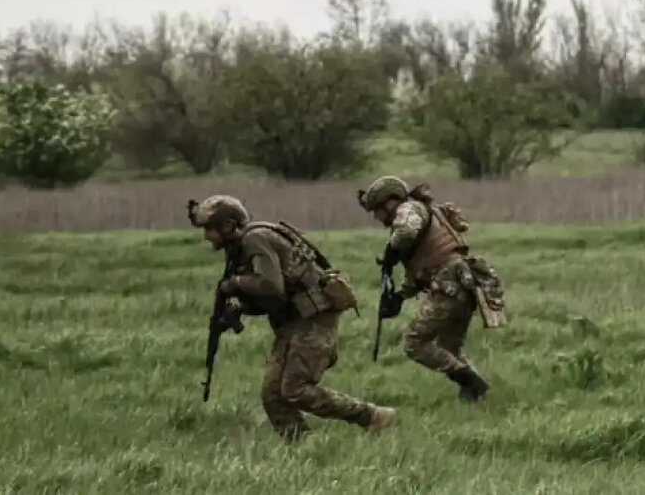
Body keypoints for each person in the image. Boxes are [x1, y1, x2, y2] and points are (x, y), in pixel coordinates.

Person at [187, 195, 396, 441]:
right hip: (292, 321)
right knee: (273, 395)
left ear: (227, 225)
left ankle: (372, 416)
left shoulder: (255, 239)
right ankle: (304, 448)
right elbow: (273, 298)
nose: (206, 236)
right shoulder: (242, 245)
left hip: (313, 318)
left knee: (295, 390)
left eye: (209, 229)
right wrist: (240, 308)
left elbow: (270, 285)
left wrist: (234, 283)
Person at [358, 176, 506, 402]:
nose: (377, 217)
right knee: (449, 349)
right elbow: (422, 264)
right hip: (461, 285)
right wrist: (400, 296)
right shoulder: (423, 210)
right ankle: (478, 395)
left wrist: (391, 249)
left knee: (414, 343)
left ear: (391, 202)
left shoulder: (409, 209)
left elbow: (406, 233)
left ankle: (473, 383)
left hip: (449, 285)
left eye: (377, 210)